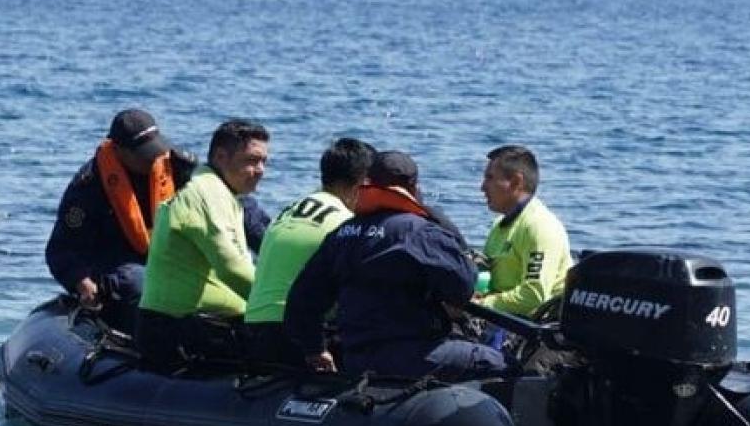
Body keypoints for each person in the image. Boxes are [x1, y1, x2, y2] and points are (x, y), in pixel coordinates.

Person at [284, 150, 507, 381]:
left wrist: (315, 350)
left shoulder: (341, 235)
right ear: (414, 188)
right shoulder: (420, 232)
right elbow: (463, 287)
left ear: (368, 183)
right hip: (414, 356)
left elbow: (301, 302)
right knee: (502, 364)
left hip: (355, 358)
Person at [45, 108, 193, 334]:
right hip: (114, 265)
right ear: (120, 150)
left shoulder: (177, 167)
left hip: (165, 258)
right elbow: (61, 250)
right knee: (139, 283)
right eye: (144, 154)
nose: (152, 159)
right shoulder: (88, 187)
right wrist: (81, 283)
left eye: (154, 151)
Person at [136, 119, 270, 368]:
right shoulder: (206, 194)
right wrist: (284, 307)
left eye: (264, 161)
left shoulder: (221, 192)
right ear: (221, 157)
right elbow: (232, 270)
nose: (261, 170)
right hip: (179, 329)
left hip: (206, 323)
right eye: (251, 160)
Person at [243, 137, 375, 365]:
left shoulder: (290, 210)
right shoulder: (346, 224)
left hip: (256, 327)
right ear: (363, 183)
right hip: (299, 334)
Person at [475, 144, 573, 317]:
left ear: (515, 182)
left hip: (532, 324)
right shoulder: (500, 225)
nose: (482, 187)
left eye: (490, 178)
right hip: (498, 317)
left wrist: (481, 304)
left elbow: (533, 296)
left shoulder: (540, 226)